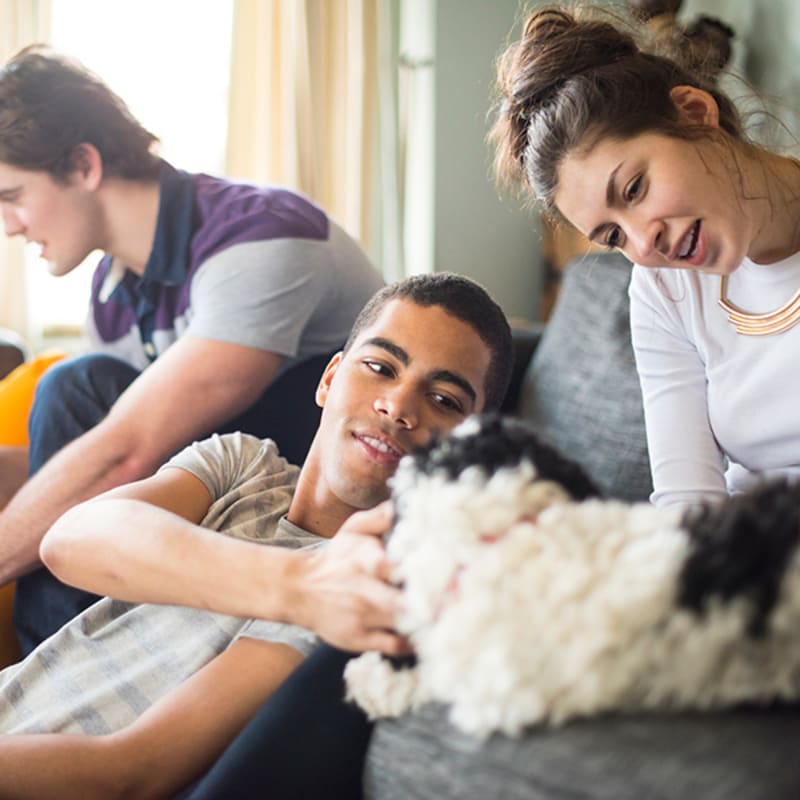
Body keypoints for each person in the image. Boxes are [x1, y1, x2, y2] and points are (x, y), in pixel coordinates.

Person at [0, 272, 512, 799]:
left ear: (469, 448)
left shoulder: (358, 594)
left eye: (445, 400)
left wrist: (314, 590)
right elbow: (70, 540)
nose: (399, 407)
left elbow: (128, 773)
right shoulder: (243, 465)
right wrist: (298, 582)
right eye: (380, 368)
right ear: (330, 379)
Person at [0, 45, 384, 654]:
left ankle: (49, 665)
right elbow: (81, 448)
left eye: (12, 195)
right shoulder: (112, 287)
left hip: (307, 494)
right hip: (214, 481)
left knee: (73, 384)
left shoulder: (261, 238)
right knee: (76, 393)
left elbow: (123, 454)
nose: (10, 225)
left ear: (82, 165)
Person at [489, 4, 800, 509]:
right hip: (750, 560)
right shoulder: (663, 289)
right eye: (613, 236)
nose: (644, 245)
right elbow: (687, 502)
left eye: (634, 188)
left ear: (696, 114)